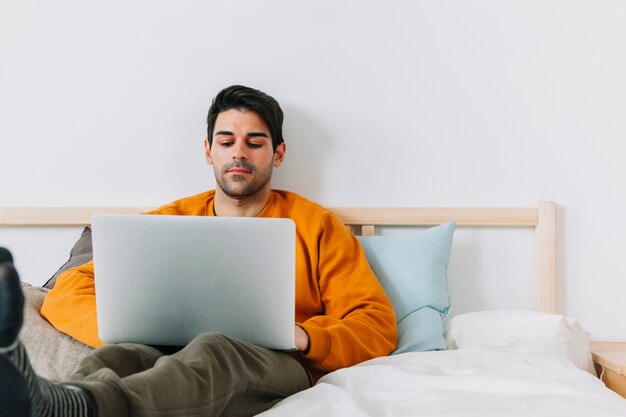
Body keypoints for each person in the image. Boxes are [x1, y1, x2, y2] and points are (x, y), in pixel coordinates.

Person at [0, 85, 398, 417]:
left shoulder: (317, 226)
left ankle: (87, 406)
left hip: (275, 360)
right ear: (209, 151)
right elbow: (70, 289)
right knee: (121, 355)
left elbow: (376, 323)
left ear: (278, 153)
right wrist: (130, 329)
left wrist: (306, 337)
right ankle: (62, 402)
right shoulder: (168, 220)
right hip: (169, 346)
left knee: (215, 348)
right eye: (226, 141)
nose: (238, 153)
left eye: (254, 142)